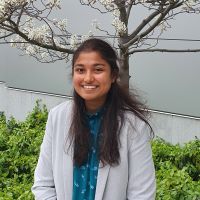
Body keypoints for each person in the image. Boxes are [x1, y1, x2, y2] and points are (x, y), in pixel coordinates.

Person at [32, 38, 156, 200]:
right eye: (80, 70)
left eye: (98, 70)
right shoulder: (58, 117)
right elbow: (43, 184)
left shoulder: (133, 125)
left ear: (113, 75)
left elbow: (142, 195)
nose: (88, 78)